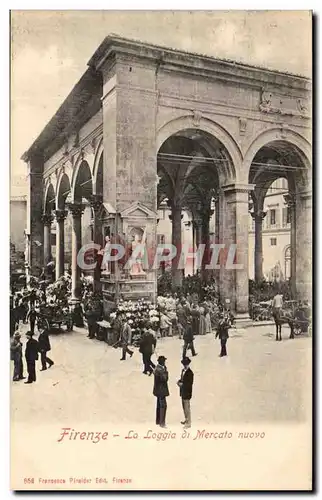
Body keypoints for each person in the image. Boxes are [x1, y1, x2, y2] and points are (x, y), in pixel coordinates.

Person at [177, 357, 194, 429]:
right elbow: (182, 379)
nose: (185, 365)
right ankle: (186, 419)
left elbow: (189, 383)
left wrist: (182, 384)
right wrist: (179, 381)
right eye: (184, 364)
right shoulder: (183, 371)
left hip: (187, 392)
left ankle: (188, 423)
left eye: (186, 364)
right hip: (183, 391)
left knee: (187, 407)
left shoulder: (190, 373)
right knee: (184, 407)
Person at [153, 355, 169, 428]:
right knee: (163, 406)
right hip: (161, 390)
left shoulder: (157, 368)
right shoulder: (161, 370)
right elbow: (165, 379)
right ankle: (162, 423)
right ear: (162, 362)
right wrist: (166, 371)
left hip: (158, 390)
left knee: (159, 406)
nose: (165, 362)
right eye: (164, 361)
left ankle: (158, 421)